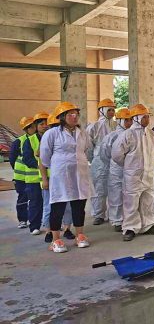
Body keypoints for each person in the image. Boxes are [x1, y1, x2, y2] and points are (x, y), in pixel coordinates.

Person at [40, 102, 92, 253]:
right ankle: (55, 240)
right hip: (61, 175)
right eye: (71, 114)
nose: (75, 117)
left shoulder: (82, 133)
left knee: (79, 205)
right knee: (58, 206)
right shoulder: (52, 133)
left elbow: (87, 150)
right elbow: (44, 156)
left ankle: (79, 236)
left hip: (80, 174)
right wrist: (60, 165)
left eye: (76, 114)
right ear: (62, 117)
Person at [112, 104, 154, 241]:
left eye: (148, 117)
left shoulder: (153, 135)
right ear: (135, 118)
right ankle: (130, 228)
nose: (147, 120)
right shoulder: (128, 134)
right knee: (131, 202)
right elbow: (117, 155)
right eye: (144, 117)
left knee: (148, 201)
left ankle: (148, 225)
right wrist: (129, 167)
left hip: (149, 175)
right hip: (133, 176)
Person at [40, 114, 75, 243]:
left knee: (68, 206)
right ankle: (49, 231)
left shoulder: (66, 140)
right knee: (49, 206)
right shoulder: (48, 139)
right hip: (50, 179)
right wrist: (45, 179)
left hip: (65, 178)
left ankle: (67, 228)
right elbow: (42, 162)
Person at [100, 108, 133, 233]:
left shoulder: (134, 135)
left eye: (131, 120)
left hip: (131, 168)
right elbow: (104, 154)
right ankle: (117, 220)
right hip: (116, 169)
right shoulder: (112, 136)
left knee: (130, 194)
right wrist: (113, 163)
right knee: (116, 194)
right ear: (119, 121)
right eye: (126, 120)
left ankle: (129, 219)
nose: (129, 123)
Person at [87, 98, 117, 225]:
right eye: (109, 110)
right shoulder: (94, 126)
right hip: (99, 161)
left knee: (115, 189)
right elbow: (88, 147)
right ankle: (98, 215)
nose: (111, 112)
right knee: (99, 188)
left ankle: (114, 215)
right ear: (102, 110)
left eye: (113, 110)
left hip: (115, 161)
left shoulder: (117, 125)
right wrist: (94, 159)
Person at [22, 111, 49, 236]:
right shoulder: (30, 141)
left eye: (46, 123)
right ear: (36, 126)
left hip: (50, 177)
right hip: (34, 179)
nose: (45, 126)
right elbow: (27, 159)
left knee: (51, 203)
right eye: (41, 124)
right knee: (35, 202)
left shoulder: (52, 137)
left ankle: (51, 224)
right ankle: (34, 226)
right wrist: (42, 166)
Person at [9, 116, 35, 229]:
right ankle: (23, 220)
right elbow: (12, 158)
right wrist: (16, 170)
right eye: (32, 127)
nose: (34, 129)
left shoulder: (39, 139)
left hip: (34, 176)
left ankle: (36, 219)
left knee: (36, 199)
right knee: (23, 198)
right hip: (21, 176)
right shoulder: (19, 142)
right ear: (26, 129)